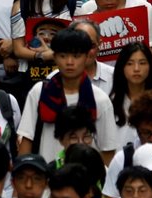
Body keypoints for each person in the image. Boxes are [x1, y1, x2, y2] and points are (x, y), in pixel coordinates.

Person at [18, 26, 118, 164]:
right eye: (63, 56)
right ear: (55, 57)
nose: (69, 62)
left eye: (76, 56)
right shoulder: (40, 91)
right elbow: (26, 139)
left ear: (86, 56)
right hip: (48, 178)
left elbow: (108, 150)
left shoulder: (100, 99)